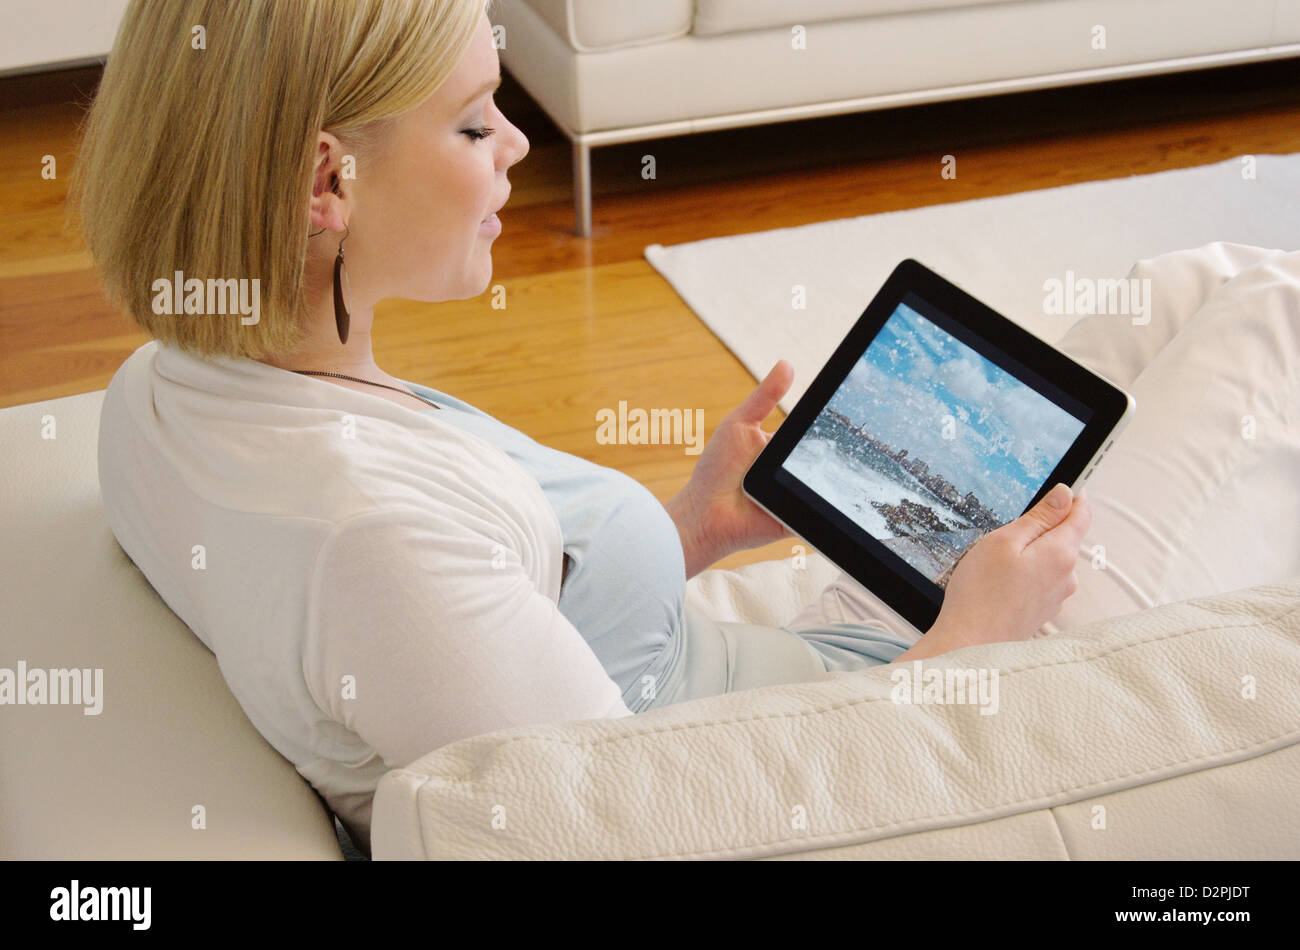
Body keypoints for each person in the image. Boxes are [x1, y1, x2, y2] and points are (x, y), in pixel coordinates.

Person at [71, 0, 1297, 858]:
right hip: (917, 743)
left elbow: (484, 640)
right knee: (1268, 311)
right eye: (472, 121)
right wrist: (974, 636)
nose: (516, 146)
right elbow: (667, 828)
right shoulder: (374, 543)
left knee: (1191, 286)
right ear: (326, 184)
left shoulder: (168, 388)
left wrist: (681, 533)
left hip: (804, 681)